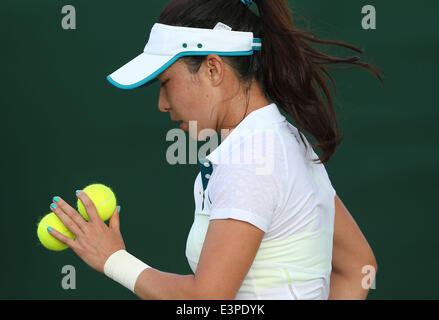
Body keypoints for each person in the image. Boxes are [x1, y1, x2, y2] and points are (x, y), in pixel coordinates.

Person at [47, 0, 382, 299]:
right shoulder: (284, 139)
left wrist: (113, 260)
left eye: (166, 83)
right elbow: (359, 266)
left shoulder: (250, 160)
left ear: (213, 69)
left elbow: (208, 297)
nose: (162, 104)